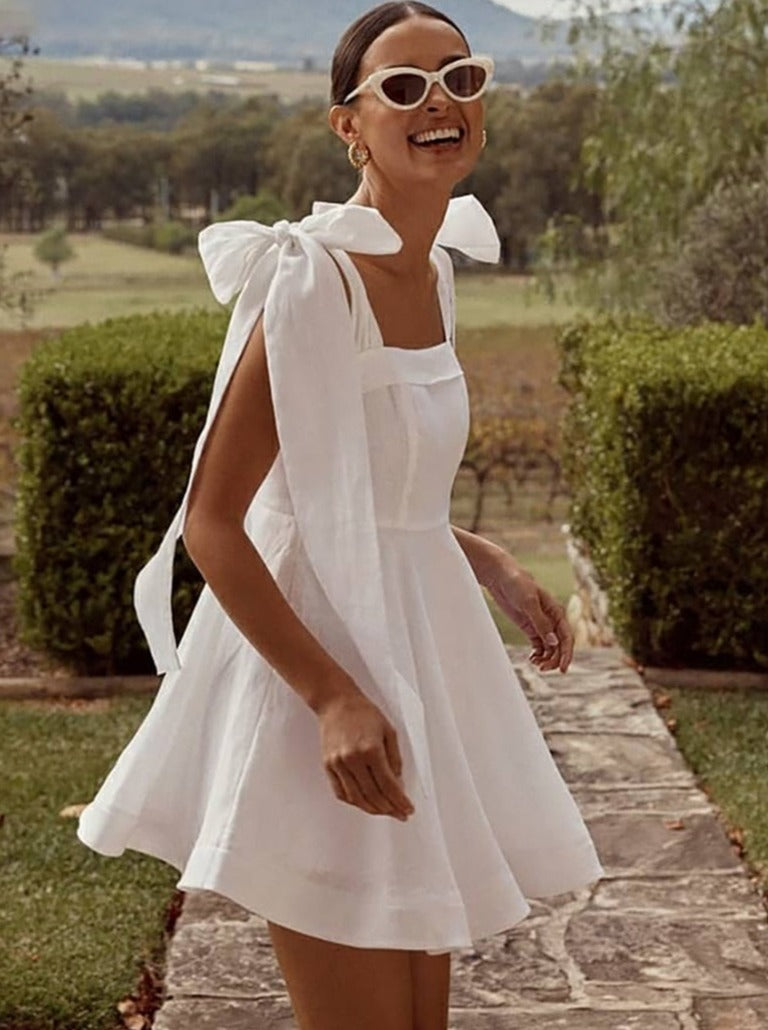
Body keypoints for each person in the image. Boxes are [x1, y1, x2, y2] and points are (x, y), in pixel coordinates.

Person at [77, 3, 605, 1028]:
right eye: (403, 87)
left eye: (460, 77)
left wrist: (484, 558)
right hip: (318, 676)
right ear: (349, 125)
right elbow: (214, 522)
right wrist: (331, 699)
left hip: (412, 659)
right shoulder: (314, 281)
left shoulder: (434, 268)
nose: (440, 102)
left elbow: (358, 485)